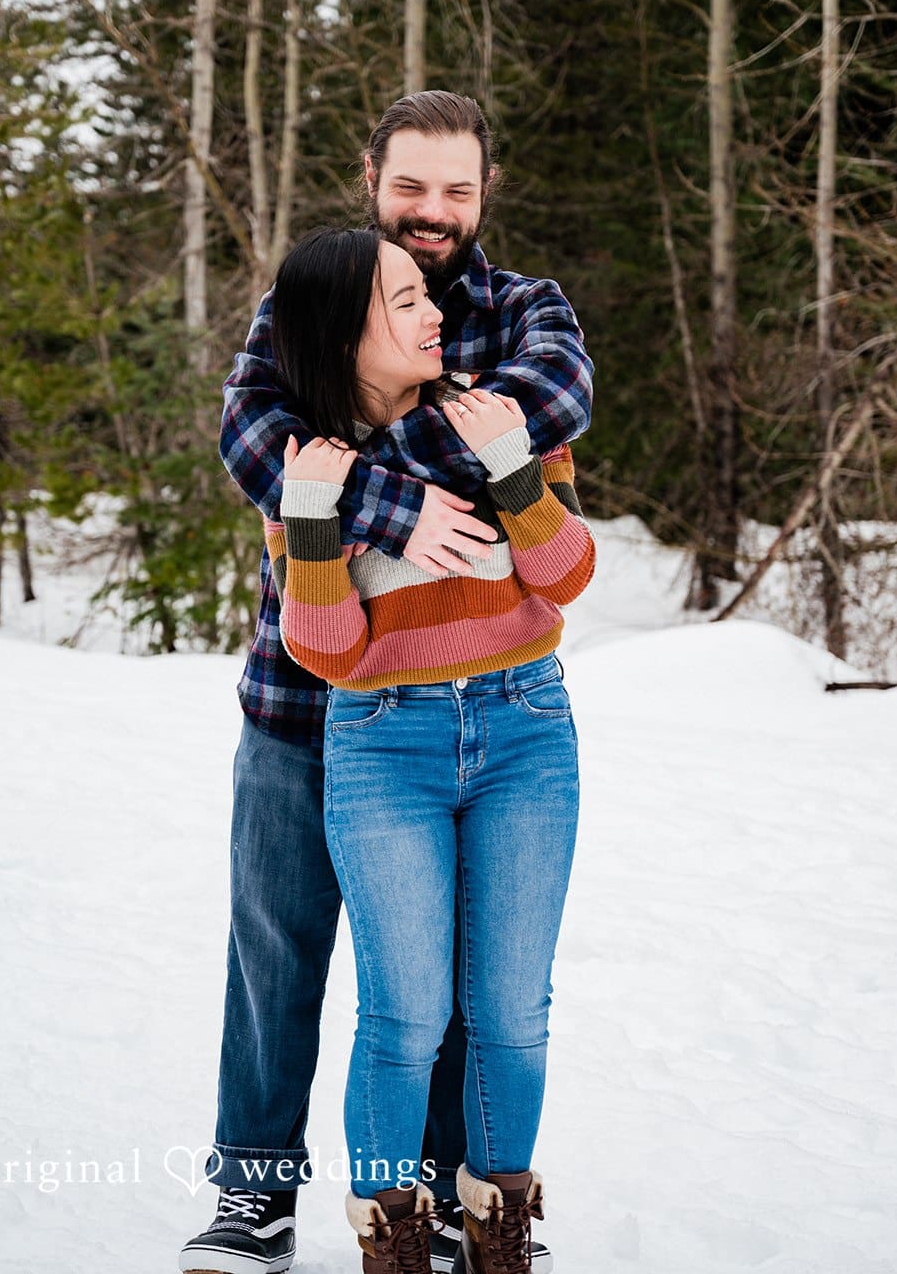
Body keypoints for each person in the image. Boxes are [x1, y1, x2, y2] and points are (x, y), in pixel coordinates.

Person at [180, 92, 594, 1274]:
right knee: (278, 955)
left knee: (455, 984)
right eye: (412, 186)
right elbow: (256, 446)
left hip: (467, 691)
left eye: (457, 190)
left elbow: (545, 407)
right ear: (372, 177)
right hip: (302, 697)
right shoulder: (306, 300)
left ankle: (454, 1202)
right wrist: (408, 504)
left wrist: (355, 459)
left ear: (483, 192)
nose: (434, 213)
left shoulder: (525, 308)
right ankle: (253, 1198)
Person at [269, 225, 594, 1274]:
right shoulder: (316, 468)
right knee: (406, 1011)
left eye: (429, 296)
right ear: (343, 331)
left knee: (511, 1010)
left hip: (524, 729)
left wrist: (511, 466)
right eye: (404, 300)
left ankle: (499, 1229)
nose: (435, 314)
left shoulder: (495, 417)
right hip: (383, 744)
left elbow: (568, 573)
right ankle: (392, 1237)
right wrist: (314, 521)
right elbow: (325, 650)